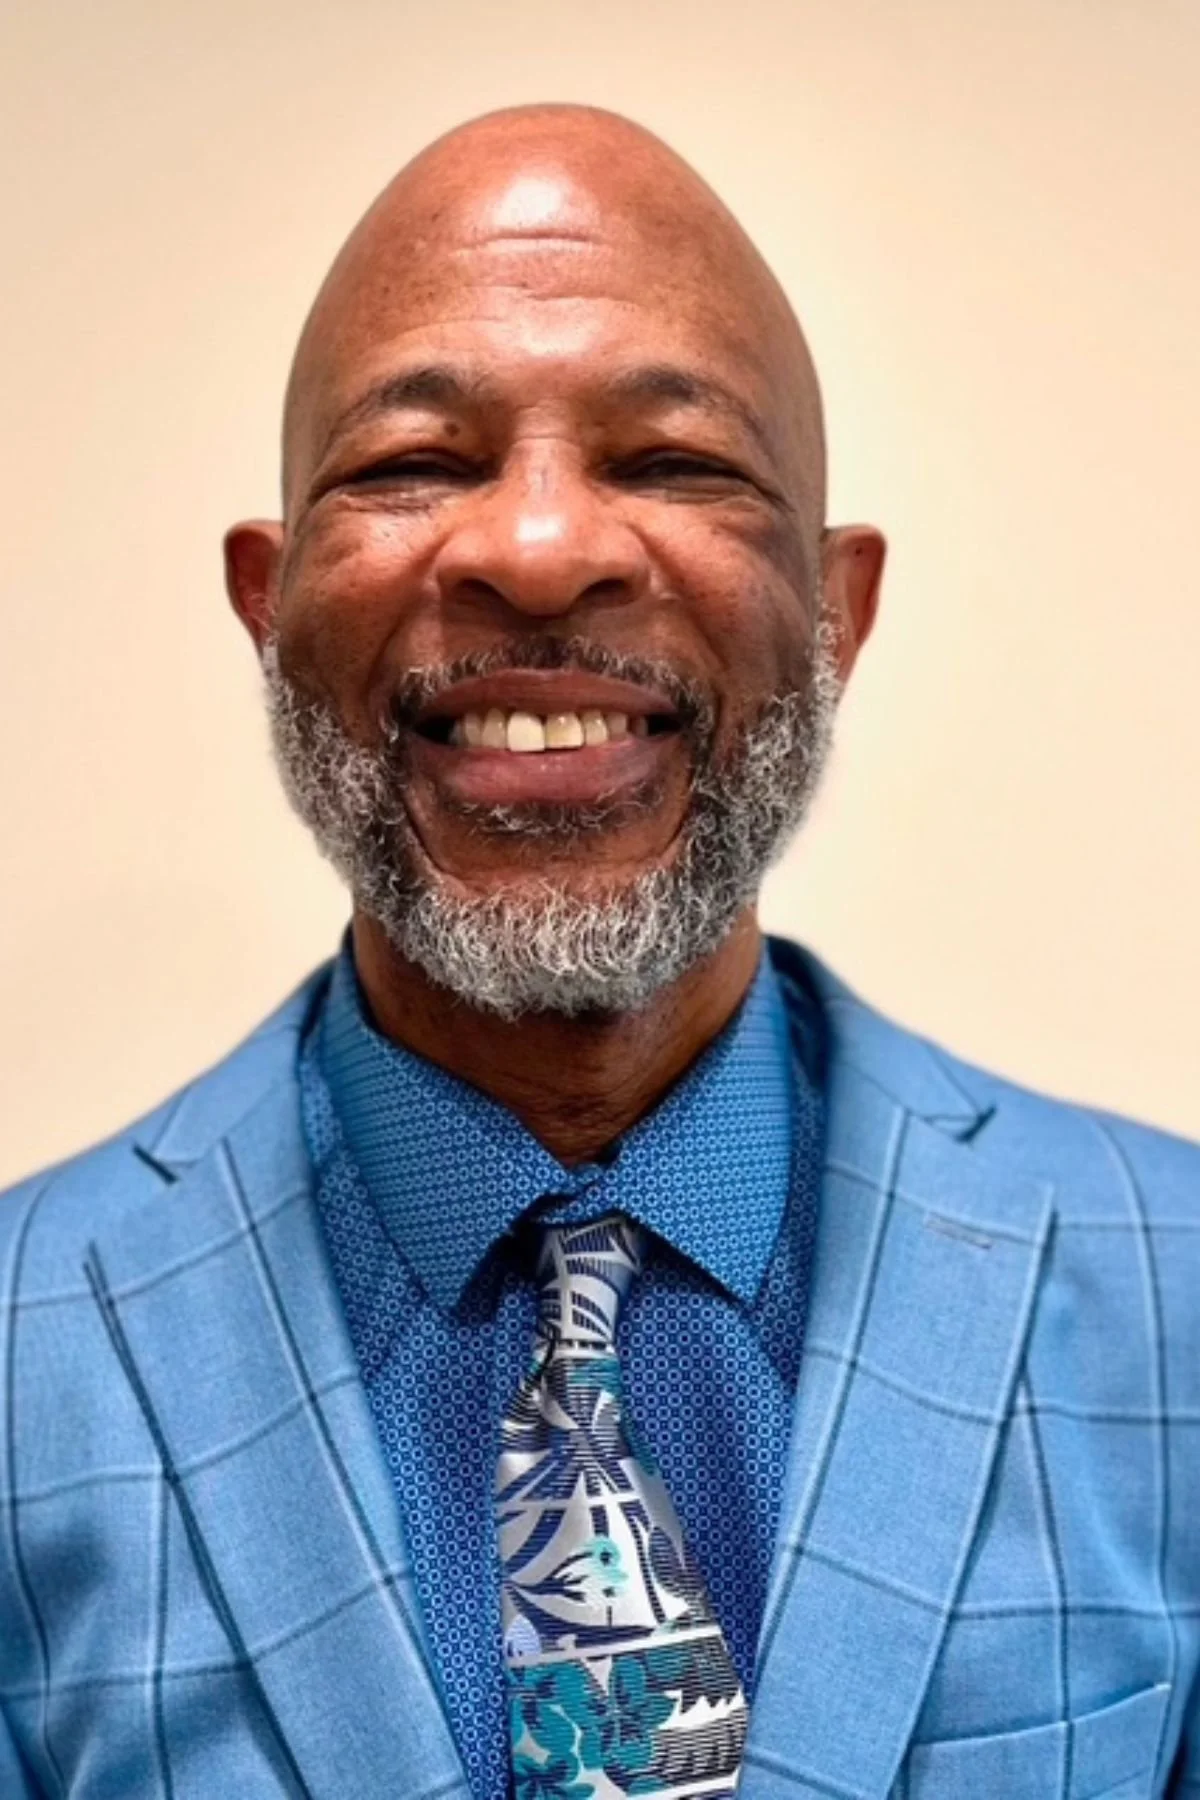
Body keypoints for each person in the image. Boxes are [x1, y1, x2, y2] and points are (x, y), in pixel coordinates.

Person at [0, 102, 1195, 1800]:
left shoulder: (1177, 1299)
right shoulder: (19, 1351)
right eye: (415, 463)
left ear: (837, 616)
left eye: (674, 462)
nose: (540, 550)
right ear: (268, 610)